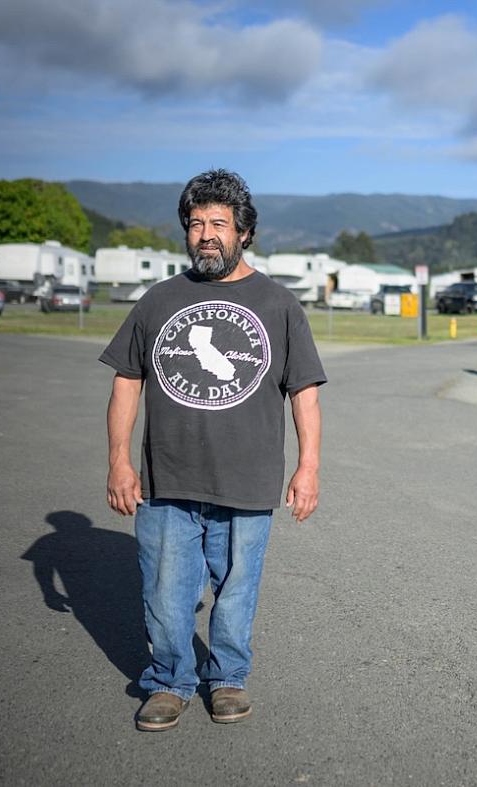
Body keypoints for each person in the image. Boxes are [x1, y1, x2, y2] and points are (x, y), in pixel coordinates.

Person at [100, 169, 326, 732]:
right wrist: (119, 461)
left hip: (247, 481)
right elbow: (127, 381)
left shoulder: (277, 304)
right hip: (167, 477)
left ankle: (227, 677)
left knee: (236, 591)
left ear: (244, 232)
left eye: (219, 224)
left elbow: (304, 393)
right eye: (196, 223)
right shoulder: (160, 300)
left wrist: (308, 468)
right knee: (166, 593)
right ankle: (170, 681)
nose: (206, 234)